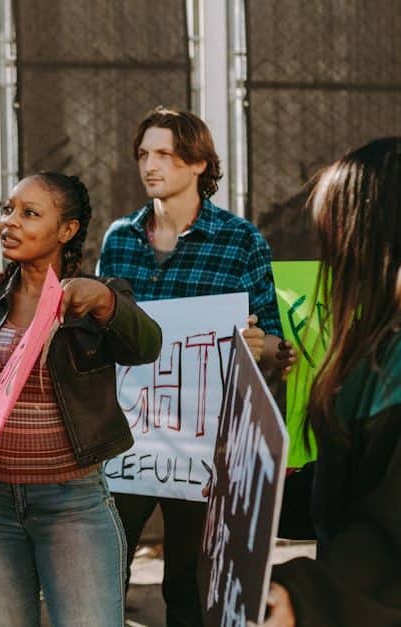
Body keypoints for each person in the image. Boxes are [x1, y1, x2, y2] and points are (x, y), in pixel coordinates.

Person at [0, 172, 162, 626]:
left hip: (72, 505)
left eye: (30, 213)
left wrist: (107, 302)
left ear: (66, 231)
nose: (10, 222)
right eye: (7, 209)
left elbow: (146, 347)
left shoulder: (95, 296)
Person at [260, 133, 401, 626]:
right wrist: (264, 492)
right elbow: (366, 477)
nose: (330, 252)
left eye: (333, 231)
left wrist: (304, 597)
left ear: (372, 229)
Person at [97, 106, 294, 627]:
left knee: (189, 585)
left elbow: (276, 344)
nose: (150, 165)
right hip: (128, 438)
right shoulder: (118, 239)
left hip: (203, 444)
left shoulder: (241, 239)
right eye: (143, 153)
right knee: (100, 570)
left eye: (164, 153)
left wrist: (259, 344)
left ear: (199, 163)